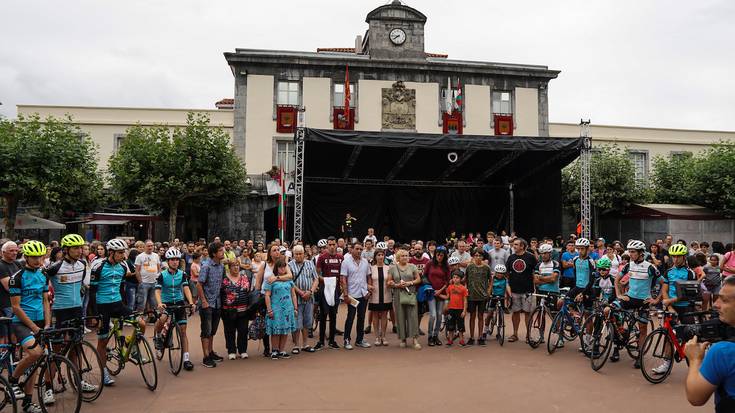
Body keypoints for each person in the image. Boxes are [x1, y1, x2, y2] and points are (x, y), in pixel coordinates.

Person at [91, 239, 145, 386]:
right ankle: (104, 372)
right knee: (102, 341)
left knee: (141, 322)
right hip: (103, 306)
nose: (123, 255)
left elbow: (122, 287)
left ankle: (132, 345)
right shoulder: (98, 266)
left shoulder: (123, 266)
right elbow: (92, 292)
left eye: (124, 252)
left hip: (118, 304)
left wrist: (126, 306)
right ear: (111, 253)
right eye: (121, 253)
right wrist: (96, 315)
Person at [8, 241, 52, 412]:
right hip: (22, 323)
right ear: (26, 257)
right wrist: (34, 327)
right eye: (34, 257)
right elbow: (16, 307)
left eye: (40, 256)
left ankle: (27, 402)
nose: (37, 260)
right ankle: (13, 381)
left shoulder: (43, 274)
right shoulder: (16, 278)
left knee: (35, 361)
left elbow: (45, 301)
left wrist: (48, 323)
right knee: (35, 353)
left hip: (40, 321)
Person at [684, 276, 735, 411]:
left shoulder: (723, 351)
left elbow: (696, 397)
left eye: (724, 300)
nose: (715, 305)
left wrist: (695, 360)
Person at [613, 240, 660, 369]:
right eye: (629, 251)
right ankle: (618, 340)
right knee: (610, 310)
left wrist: (655, 300)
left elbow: (663, 283)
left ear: (641, 253)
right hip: (629, 298)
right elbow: (617, 278)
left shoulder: (650, 267)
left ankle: (639, 356)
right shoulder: (629, 265)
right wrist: (618, 294)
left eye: (633, 252)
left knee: (643, 328)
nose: (630, 254)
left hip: (644, 301)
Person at [152, 248, 195, 370]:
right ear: (168, 261)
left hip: (179, 302)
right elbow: (157, 291)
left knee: (183, 331)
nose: (175, 262)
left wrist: (191, 302)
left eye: (177, 259)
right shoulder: (162, 275)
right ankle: (158, 335)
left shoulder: (182, 274)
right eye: (172, 260)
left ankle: (186, 359)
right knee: (163, 318)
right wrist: (160, 303)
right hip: (166, 302)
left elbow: (186, 288)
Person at [197, 241, 226, 368]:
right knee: (206, 331)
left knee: (212, 330)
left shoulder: (221, 266)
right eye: (220, 251)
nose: (223, 252)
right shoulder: (206, 266)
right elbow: (199, 284)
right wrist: (203, 301)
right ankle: (206, 356)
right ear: (214, 253)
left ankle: (211, 351)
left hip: (217, 303)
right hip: (207, 303)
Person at [388, 248, 422, 350]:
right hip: (398, 294)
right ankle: (403, 339)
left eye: (406, 255)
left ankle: (415, 339)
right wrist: (396, 284)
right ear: (398, 257)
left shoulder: (412, 267)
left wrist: (410, 283)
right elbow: (389, 281)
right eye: (402, 256)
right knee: (400, 316)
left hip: (410, 293)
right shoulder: (393, 268)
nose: (405, 257)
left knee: (412, 316)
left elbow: (418, 279)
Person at [340, 241, 372, 350]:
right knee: (350, 317)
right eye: (357, 249)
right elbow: (343, 279)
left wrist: (369, 290)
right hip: (352, 295)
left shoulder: (365, 262)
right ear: (351, 249)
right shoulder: (346, 262)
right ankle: (346, 340)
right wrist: (345, 294)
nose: (359, 251)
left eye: (360, 249)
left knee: (362, 317)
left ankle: (359, 340)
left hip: (363, 294)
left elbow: (368, 276)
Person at [264, 258, 298, 359]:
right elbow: (267, 295)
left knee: (285, 330)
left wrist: (295, 308)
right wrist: (269, 309)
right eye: (280, 267)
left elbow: (293, 295)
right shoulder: (270, 280)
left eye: (284, 267)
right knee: (275, 330)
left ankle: (282, 350)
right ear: (276, 268)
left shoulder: (289, 280)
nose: (282, 269)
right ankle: (274, 350)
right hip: (276, 308)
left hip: (288, 308)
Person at [220, 253, 251, 360]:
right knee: (229, 331)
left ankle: (243, 350)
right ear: (229, 267)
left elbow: (247, 290)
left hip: (243, 309)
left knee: (243, 330)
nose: (236, 267)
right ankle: (231, 350)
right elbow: (221, 292)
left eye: (238, 265)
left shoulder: (244, 277)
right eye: (233, 265)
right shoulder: (224, 278)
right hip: (228, 310)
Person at [506, 238, 537, 343]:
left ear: (522, 246)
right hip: (514, 290)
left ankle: (529, 335)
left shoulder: (531, 257)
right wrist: (508, 288)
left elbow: (535, 272)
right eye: (513, 244)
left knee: (528, 313)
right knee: (515, 312)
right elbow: (507, 274)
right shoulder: (511, 258)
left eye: (516, 244)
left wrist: (535, 286)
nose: (514, 246)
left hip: (528, 290)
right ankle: (515, 334)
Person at [288, 245, 318, 353]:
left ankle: (305, 344)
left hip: (309, 298)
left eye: (300, 253)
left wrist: (310, 291)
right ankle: (296, 345)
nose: (298, 256)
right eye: (296, 254)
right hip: (296, 298)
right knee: (297, 322)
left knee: (307, 322)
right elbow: (290, 282)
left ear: (304, 254)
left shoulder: (310, 264)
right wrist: (300, 292)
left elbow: (316, 279)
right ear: (293, 254)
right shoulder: (289, 265)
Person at [315, 237, 343, 350]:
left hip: (336, 291)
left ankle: (332, 340)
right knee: (323, 315)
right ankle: (321, 341)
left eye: (333, 244)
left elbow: (343, 274)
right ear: (327, 246)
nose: (332, 246)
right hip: (324, 290)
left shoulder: (341, 258)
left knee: (333, 315)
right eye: (329, 244)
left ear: (336, 245)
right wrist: (327, 281)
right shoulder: (322, 258)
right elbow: (317, 274)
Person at [465, 248, 491, 346]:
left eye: (480, 255)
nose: (478, 257)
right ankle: (471, 337)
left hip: (482, 296)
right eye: (476, 255)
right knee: (472, 316)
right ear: (473, 256)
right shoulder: (469, 267)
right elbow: (466, 279)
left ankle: (480, 337)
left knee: (480, 316)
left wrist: (489, 290)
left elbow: (490, 279)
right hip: (471, 295)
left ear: (483, 257)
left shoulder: (486, 267)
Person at [423, 246, 449, 346]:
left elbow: (447, 280)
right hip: (431, 292)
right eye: (437, 254)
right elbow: (424, 275)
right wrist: (430, 287)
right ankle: (430, 336)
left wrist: (440, 291)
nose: (439, 257)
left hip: (441, 292)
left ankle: (435, 335)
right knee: (433, 315)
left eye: (441, 255)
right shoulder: (430, 263)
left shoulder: (446, 265)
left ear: (444, 256)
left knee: (439, 315)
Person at [368, 249, 392, 346]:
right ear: (375, 257)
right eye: (378, 255)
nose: (380, 257)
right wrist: (368, 287)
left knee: (384, 315)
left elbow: (391, 280)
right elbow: (368, 281)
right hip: (374, 295)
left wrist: (391, 283)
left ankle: (384, 336)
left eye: (382, 255)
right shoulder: (371, 268)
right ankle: (377, 337)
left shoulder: (389, 268)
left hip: (386, 294)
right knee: (375, 316)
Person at [0, 241, 21, 344]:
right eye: (11, 251)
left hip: (18, 302)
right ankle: (8, 356)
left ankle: (15, 354)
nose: (14, 253)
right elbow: (9, 287)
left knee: (17, 331)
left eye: (16, 250)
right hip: (6, 304)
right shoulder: (1, 266)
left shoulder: (17, 264)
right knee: (10, 332)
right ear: (3, 252)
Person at [135, 240, 161, 314]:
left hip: (154, 282)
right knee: (142, 303)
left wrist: (158, 277)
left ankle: (152, 318)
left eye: (151, 245)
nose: (150, 247)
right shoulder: (140, 256)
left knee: (154, 302)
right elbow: (137, 270)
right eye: (148, 246)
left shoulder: (156, 255)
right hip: (144, 283)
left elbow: (159, 267)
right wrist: (141, 282)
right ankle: (139, 318)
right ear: (144, 247)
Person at [486, 264, 511, 342]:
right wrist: (488, 295)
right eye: (498, 273)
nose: (500, 274)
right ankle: (486, 328)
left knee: (500, 315)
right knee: (489, 313)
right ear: (495, 272)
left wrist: (510, 295)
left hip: (501, 298)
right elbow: (490, 287)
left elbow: (507, 287)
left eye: (501, 273)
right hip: (493, 297)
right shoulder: (492, 279)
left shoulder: (505, 280)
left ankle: (499, 331)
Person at [444, 271, 468, 346]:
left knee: (461, 325)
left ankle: (461, 340)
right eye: (454, 277)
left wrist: (464, 311)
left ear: (460, 279)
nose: (455, 279)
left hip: (460, 309)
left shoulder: (463, 288)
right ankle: (450, 340)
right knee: (450, 325)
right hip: (451, 309)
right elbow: (447, 297)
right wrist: (439, 295)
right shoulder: (450, 287)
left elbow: (465, 300)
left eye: (457, 278)